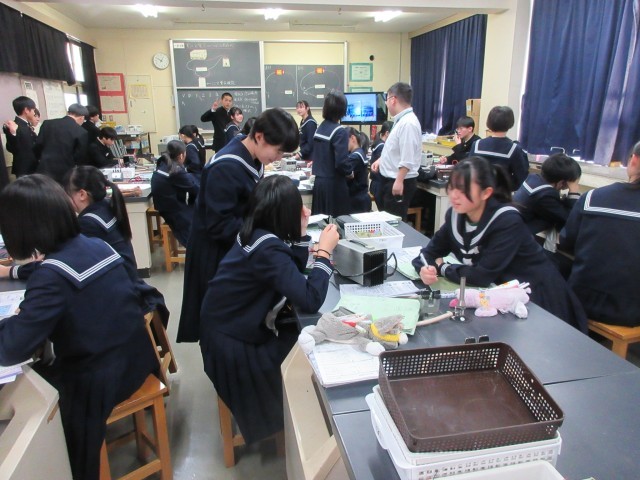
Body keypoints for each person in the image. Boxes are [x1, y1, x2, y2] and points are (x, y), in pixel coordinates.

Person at [0, 174, 157, 480]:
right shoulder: (96, 245)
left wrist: (14, 320)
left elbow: (11, 349)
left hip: (101, 381)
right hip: (136, 359)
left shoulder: (51, 276)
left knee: (28, 388)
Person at [200, 175, 339, 444]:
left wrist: (301, 234)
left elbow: (289, 273)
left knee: (301, 337)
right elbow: (310, 299)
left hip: (225, 330)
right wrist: (324, 253)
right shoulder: (268, 249)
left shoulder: (254, 233)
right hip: (232, 348)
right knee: (307, 350)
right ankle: (301, 423)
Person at [412, 157, 587, 333]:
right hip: (499, 297)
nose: (454, 195)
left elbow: (481, 276)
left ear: (486, 193)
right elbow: (427, 254)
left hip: (536, 298)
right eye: (452, 187)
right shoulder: (456, 216)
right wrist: (426, 269)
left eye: (463, 189)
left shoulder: (507, 220)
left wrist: (443, 268)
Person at [177, 108, 299, 343]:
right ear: (260, 137)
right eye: (279, 151)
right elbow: (220, 225)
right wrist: (264, 238)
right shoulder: (227, 166)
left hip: (236, 243)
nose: (279, 158)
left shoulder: (251, 155)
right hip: (216, 252)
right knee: (220, 321)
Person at [559, 141, 640, 327]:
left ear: (634, 160)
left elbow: (566, 242)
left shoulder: (592, 197)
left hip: (582, 299)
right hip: (631, 309)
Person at [371, 82, 422, 220]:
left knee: (394, 223)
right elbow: (395, 148)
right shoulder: (401, 120)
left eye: (387, 99)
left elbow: (407, 157)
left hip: (399, 181)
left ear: (393, 99)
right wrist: (381, 160)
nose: (386, 104)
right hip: (390, 179)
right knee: (387, 220)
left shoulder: (408, 123)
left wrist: (399, 181)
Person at [514, 153, 582, 236]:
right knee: (551, 222)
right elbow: (569, 218)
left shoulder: (533, 178)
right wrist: (573, 193)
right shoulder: (545, 195)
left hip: (511, 224)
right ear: (561, 183)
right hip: (515, 234)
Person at [151, 140, 199, 247]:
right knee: (195, 225)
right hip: (172, 210)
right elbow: (194, 189)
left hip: (164, 205)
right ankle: (193, 250)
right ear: (181, 155)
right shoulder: (175, 170)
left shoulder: (163, 162)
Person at [311, 91, 350, 216]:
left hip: (319, 184)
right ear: (342, 109)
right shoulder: (340, 131)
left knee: (321, 221)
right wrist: (350, 171)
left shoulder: (320, 128)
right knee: (336, 222)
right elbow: (341, 163)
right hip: (334, 186)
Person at [470, 106, 529, 190]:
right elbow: (521, 178)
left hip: (479, 193)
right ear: (510, 123)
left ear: (489, 122)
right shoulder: (514, 148)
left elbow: (469, 171)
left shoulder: (476, 144)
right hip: (502, 194)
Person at [34, 103, 89, 184]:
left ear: (68, 112)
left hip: (44, 169)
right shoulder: (81, 132)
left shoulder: (47, 124)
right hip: (66, 172)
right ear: (82, 117)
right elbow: (79, 156)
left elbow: (38, 144)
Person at [3, 95, 39, 177]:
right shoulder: (14, 125)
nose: (34, 112)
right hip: (24, 169)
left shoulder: (27, 125)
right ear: (26, 110)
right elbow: (10, 148)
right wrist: (13, 133)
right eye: (33, 110)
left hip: (33, 166)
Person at [345, 127, 371, 213]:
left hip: (357, 200)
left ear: (353, 138)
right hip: (361, 197)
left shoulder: (355, 156)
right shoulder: (360, 152)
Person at [369, 120, 392, 210]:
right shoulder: (382, 147)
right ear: (387, 133)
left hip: (376, 184)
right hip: (380, 186)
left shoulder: (378, 143)